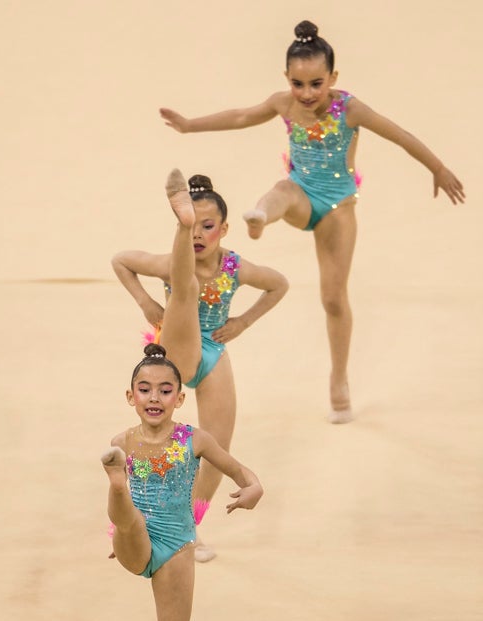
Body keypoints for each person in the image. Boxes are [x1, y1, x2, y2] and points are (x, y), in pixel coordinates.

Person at [159, 20, 465, 423]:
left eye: (316, 84)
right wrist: (189, 124)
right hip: (300, 194)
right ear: (287, 79)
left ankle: (339, 378)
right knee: (281, 190)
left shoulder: (350, 109)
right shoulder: (283, 104)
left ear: (333, 78)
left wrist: (438, 168)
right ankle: (259, 216)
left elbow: (400, 135)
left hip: (338, 207)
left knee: (333, 298)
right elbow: (240, 117)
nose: (306, 94)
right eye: (298, 84)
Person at [102, 336, 263, 621]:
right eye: (146, 389)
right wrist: (119, 528)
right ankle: (120, 491)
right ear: (130, 396)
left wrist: (254, 487)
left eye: (165, 390)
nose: (155, 397)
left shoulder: (196, 440)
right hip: (134, 536)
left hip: (176, 544)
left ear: (180, 397)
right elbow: (118, 517)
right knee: (128, 516)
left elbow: (239, 470)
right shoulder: (123, 441)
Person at [112, 174, 287, 562]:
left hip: (213, 349)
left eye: (208, 227)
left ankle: (188, 529)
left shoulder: (235, 267)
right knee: (186, 283)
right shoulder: (172, 263)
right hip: (176, 346)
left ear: (223, 230)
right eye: (193, 226)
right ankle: (180, 225)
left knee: (216, 446)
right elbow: (121, 261)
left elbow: (279, 284)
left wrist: (242, 321)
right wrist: (145, 302)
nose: (201, 235)